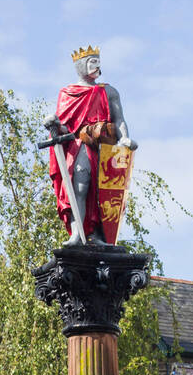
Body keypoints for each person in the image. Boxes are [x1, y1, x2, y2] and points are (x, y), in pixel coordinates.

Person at [47, 45, 136, 244]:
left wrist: (124, 138)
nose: (97, 66)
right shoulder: (68, 93)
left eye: (98, 62)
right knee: (80, 186)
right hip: (81, 145)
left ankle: (97, 235)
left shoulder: (108, 92)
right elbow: (65, 127)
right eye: (92, 62)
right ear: (81, 66)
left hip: (104, 147)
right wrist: (55, 124)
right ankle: (78, 231)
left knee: (103, 192)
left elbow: (119, 119)